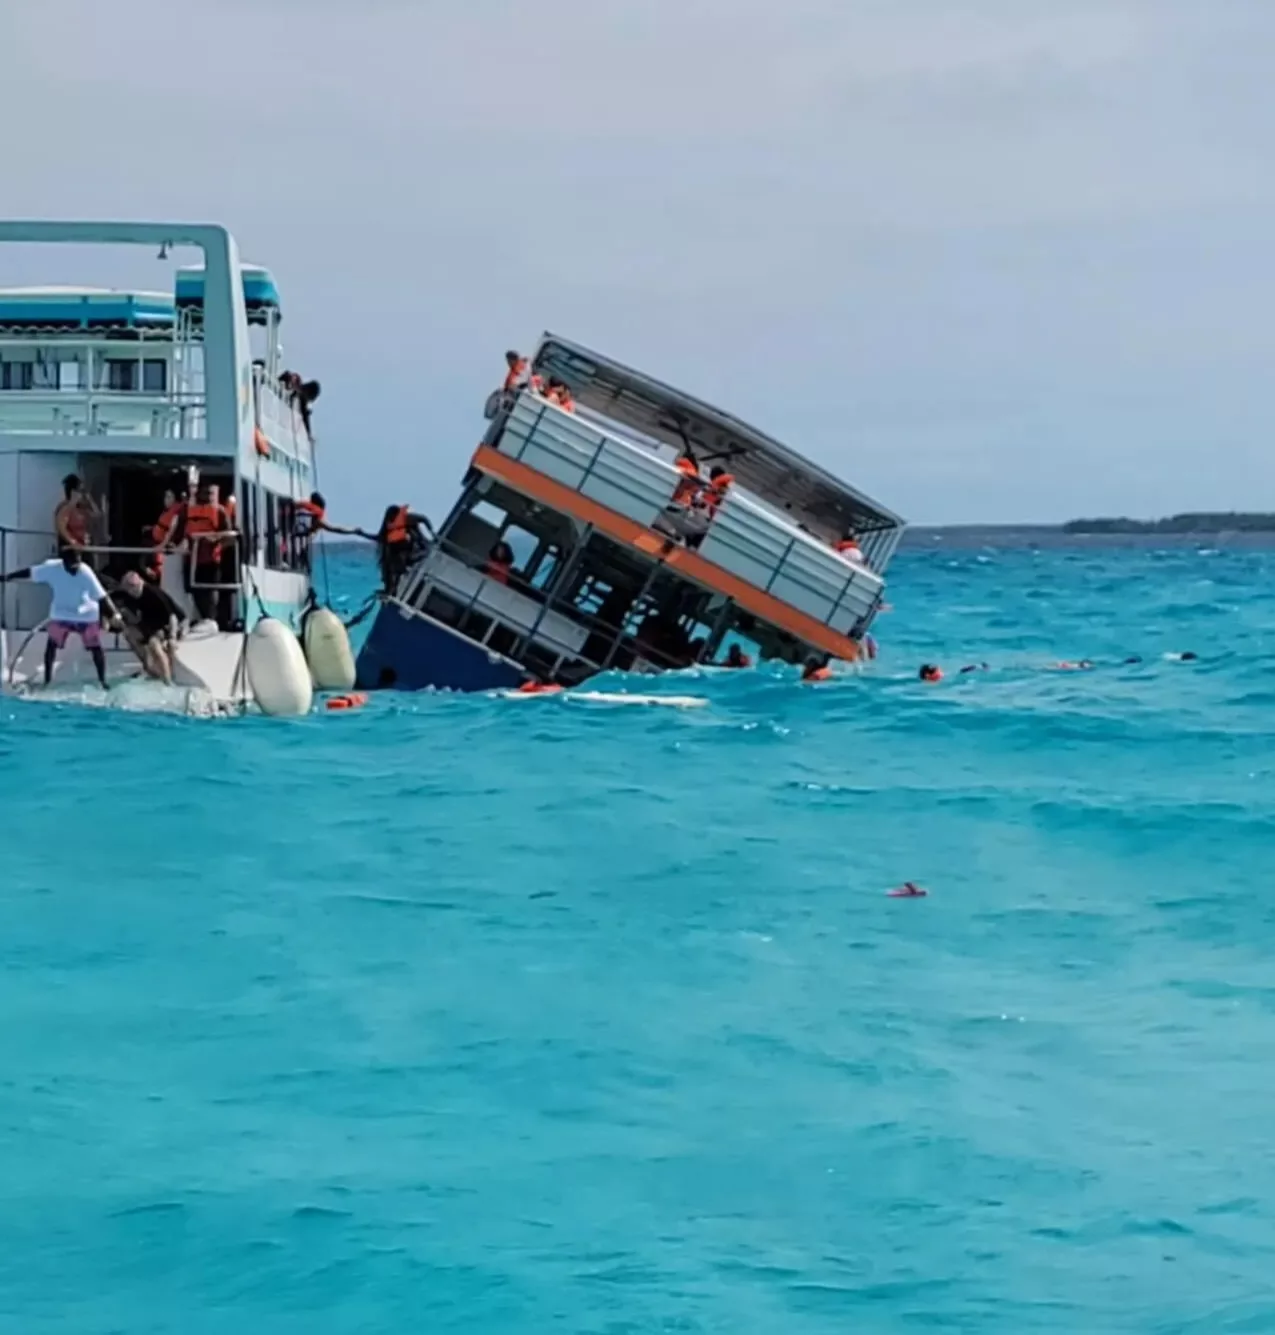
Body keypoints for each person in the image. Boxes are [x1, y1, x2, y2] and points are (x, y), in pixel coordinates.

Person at [0, 548, 123, 688]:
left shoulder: (85, 571)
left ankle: (102, 681)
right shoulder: (51, 568)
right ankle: (47, 681)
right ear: (63, 563)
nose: (75, 570)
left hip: (86, 614)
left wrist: (115, 615)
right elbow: (30, 572)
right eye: (72, 566)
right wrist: (7, 577)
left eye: (77, 565)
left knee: (96, 648)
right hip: (61, 614)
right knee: (51, 646)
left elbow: (102, 597)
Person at [110, 570, 187, 684]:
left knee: (154, 643)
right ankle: (150, 669)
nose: (129, 593)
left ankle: (168, 680)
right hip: (153, 624)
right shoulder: (131, 594)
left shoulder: (153, 593)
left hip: (173, 624)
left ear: (137, 586)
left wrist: (172, 637)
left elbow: (173, 617)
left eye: (129, 589)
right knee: (130, 634)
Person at [170, 483, 231, 625]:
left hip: (211, 560)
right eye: (204, 493)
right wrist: (174, 544)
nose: (207, 496)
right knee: (193, 591)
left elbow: (229, 536)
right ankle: (199, 618)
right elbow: (179, 532)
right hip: (191, 558)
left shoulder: (220, 511)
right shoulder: (187, 510)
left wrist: (217, 541)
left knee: (211, 592)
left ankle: (211, 619)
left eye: (210, 493)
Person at [376, 504, 434, 592]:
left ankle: (393, 585)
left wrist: (431, 530)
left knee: (400, 560)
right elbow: (382, 539)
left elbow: (423, 519)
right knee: (389, 560)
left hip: (419, 548)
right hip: (402, 553)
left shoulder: (408, 518)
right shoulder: (388, 528)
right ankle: (390, 587)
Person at [53, 473, 100, 552]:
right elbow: (61, 527)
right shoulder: (64, 507)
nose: (82, 494)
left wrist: (89, 499)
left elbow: (96, 515)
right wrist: (73, 542)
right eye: (80, 491)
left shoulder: (82, 507)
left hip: (84, 546)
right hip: (70, 548)